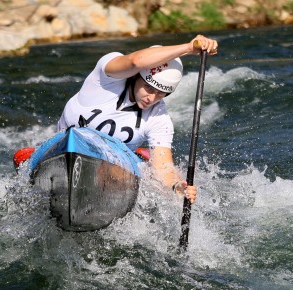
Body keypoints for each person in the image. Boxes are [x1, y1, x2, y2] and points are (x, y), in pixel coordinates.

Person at [57, 35, 218, 204]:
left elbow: (163, 168)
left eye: (161, 93)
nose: (152, 98)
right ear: (135, 76)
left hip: (111, 170)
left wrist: (176, 187)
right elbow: (136, 61)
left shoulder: (159, 117)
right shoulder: (106, 78)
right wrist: (189, 47)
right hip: (65, 147)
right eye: (148, 87)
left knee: (150, 181)